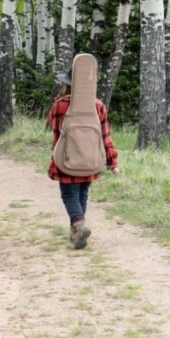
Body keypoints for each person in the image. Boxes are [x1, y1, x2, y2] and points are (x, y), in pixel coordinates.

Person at [47, 71, 119, 249]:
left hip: (67, 158)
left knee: (69, 194)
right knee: (82, 194)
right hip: (90, 160)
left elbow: (54, 128)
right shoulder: (98, 105)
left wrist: (60, 98)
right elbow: (105, 136)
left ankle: (79, 226)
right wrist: (112, 162)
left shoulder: (60, 105)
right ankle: (77, 231)